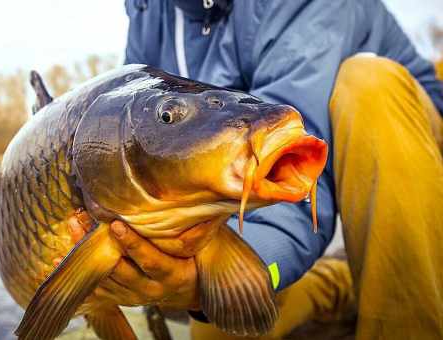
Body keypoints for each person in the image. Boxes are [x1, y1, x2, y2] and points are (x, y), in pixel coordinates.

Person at [66, 0, 443, 338]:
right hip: (276, 167)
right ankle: (338, 284)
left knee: (368, 84)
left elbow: (284, 160)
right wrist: (197, 281)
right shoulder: (149, 12)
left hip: (413, 147)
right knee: (223, 324)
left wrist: (223, 273)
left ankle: (406, 322)